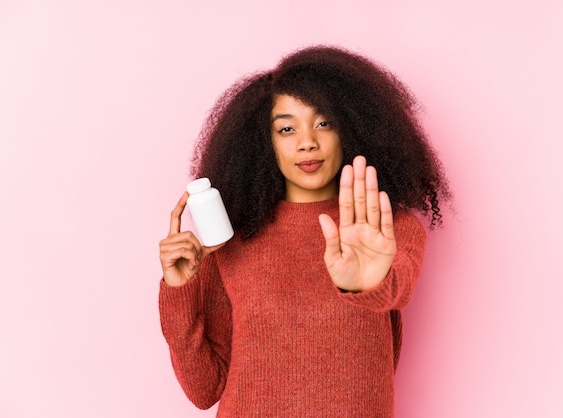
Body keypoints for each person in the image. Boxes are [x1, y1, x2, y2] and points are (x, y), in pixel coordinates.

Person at [158, 45, 450, 416]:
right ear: (265, 143)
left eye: (324, 122)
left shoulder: (388, 227)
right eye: (286, 128)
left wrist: (365, 285)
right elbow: (205, 389)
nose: (307, 141)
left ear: (354, 128)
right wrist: (180, 291)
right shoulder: (231, 239)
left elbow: (396, 287)